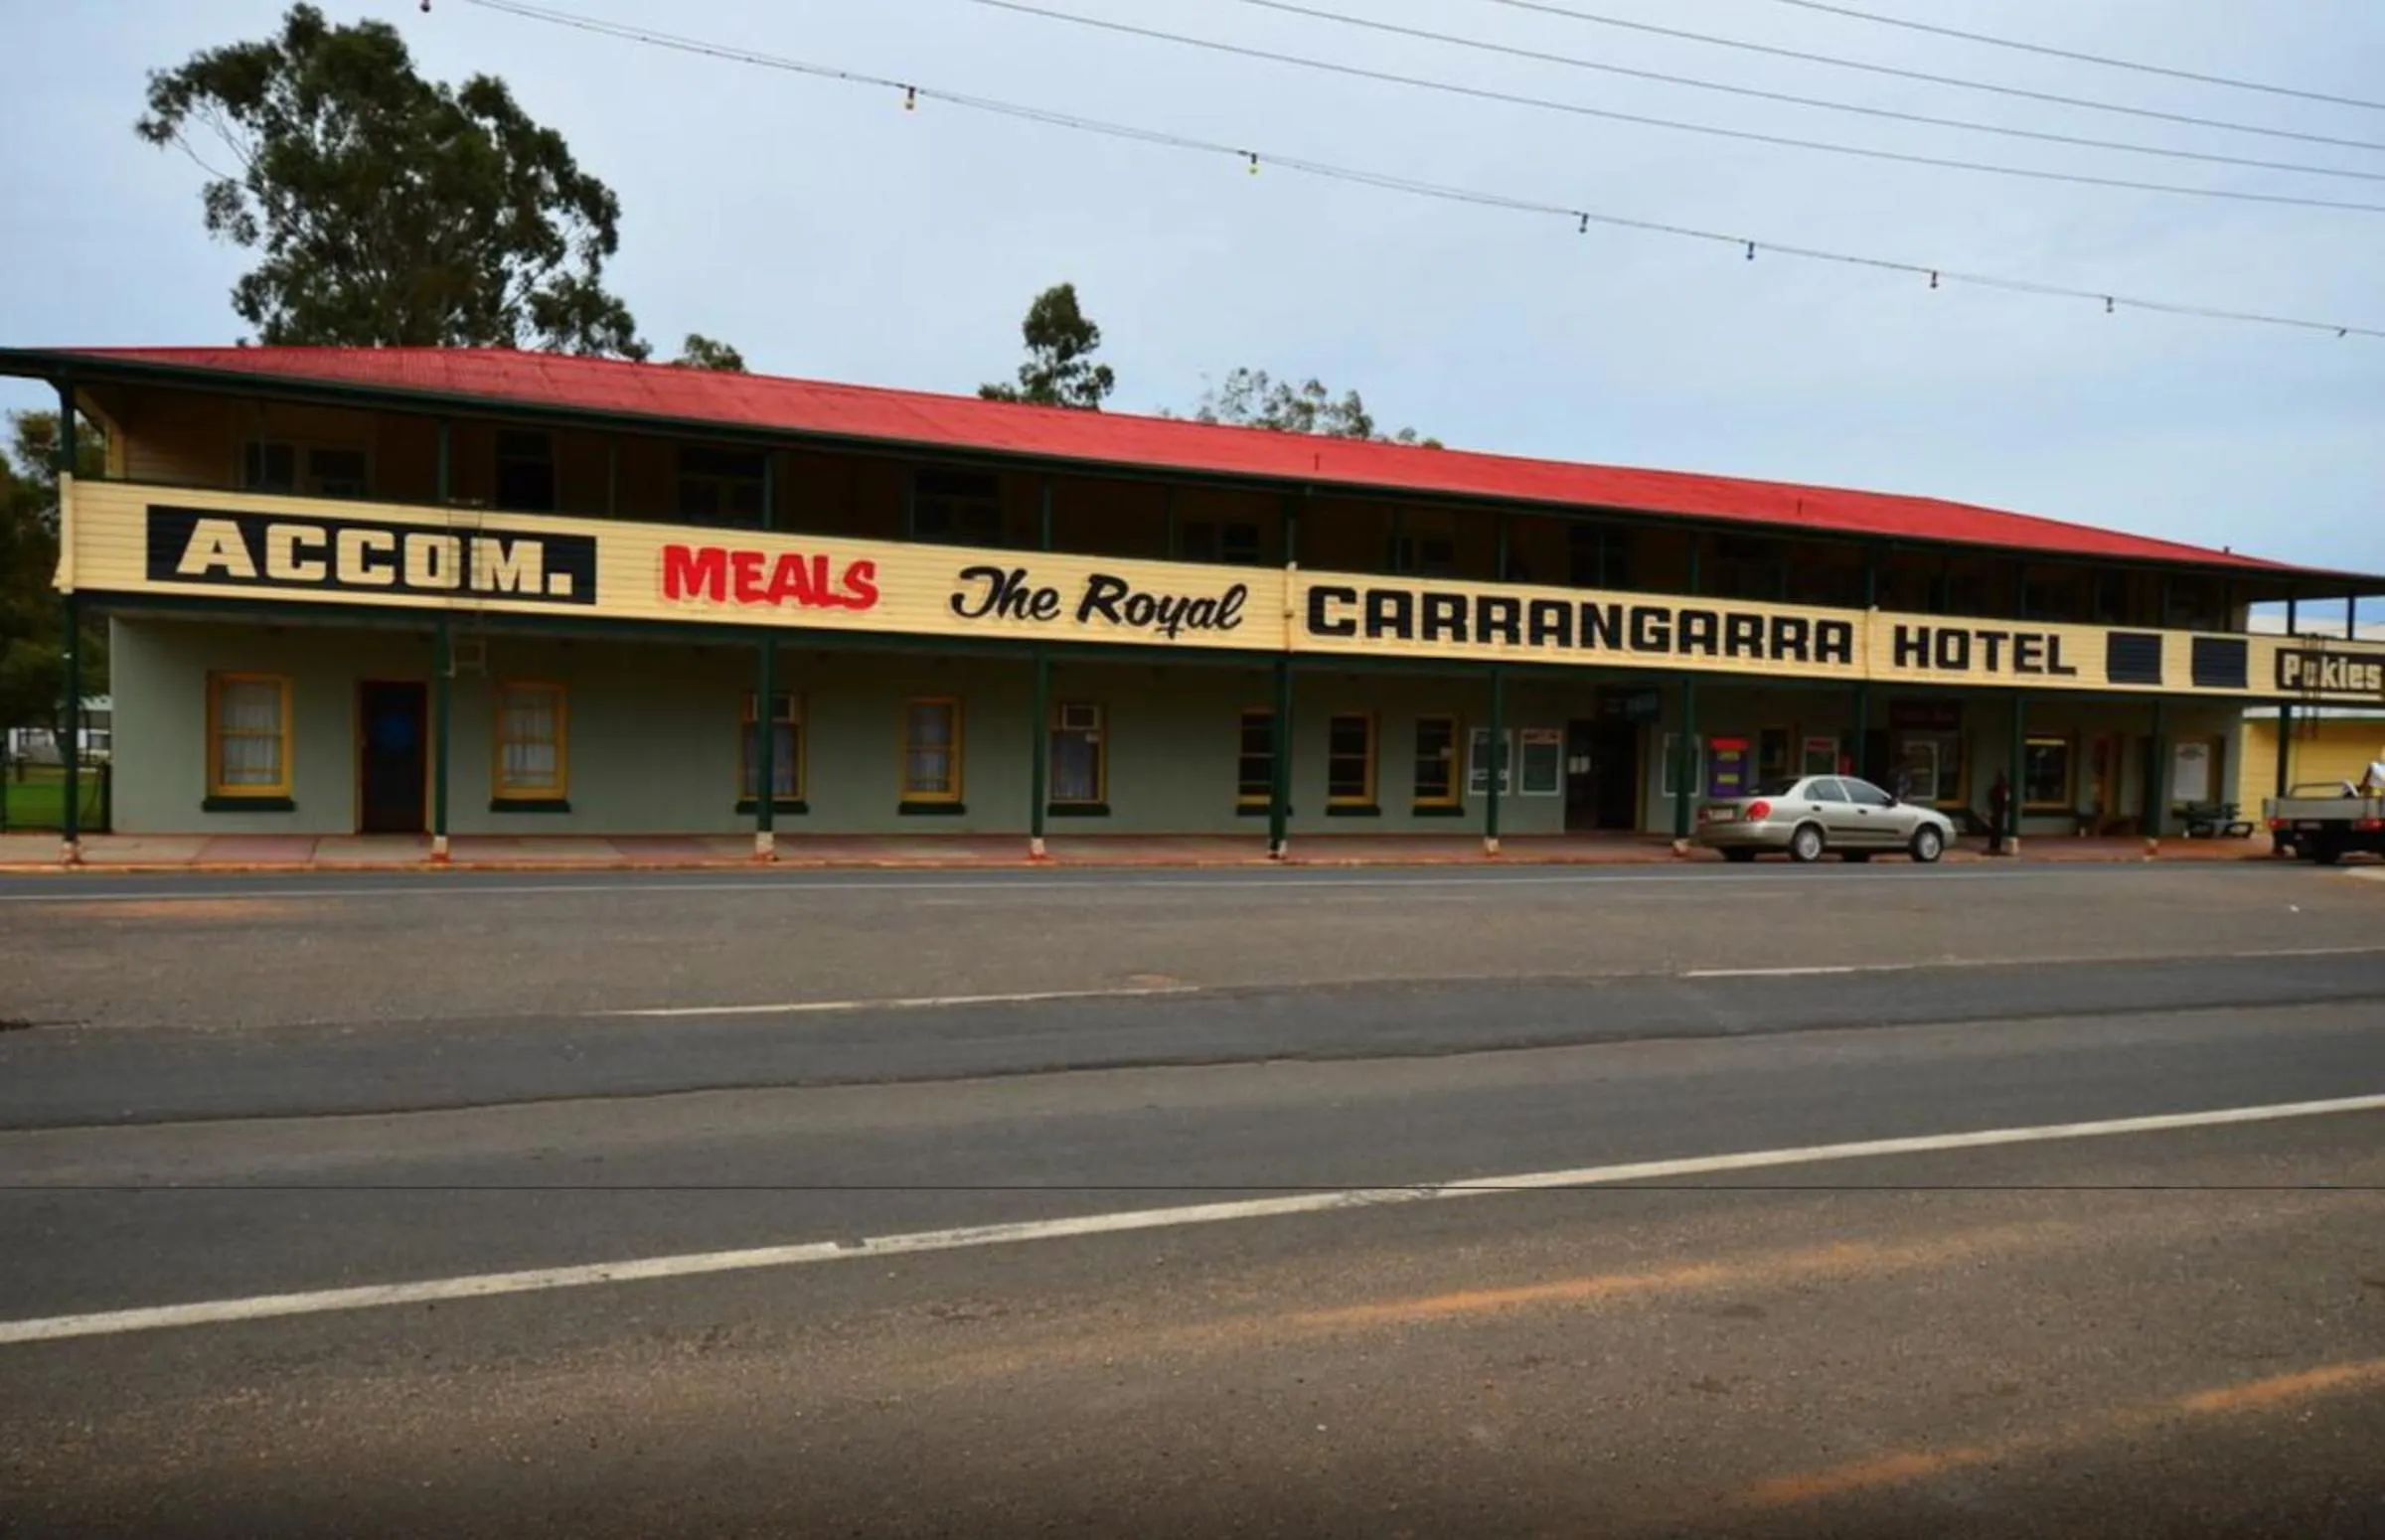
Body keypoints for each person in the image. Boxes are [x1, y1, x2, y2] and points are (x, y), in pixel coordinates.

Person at [1988, 771, 2013, 854]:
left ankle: (1994, 846)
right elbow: (2006, 800)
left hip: (1995, 811)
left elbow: (1991, 800)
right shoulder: (2003, 790)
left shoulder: (1995, 789)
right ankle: (1996, 846)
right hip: (1999, 811)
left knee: (1995, 829)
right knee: (1998, 829)